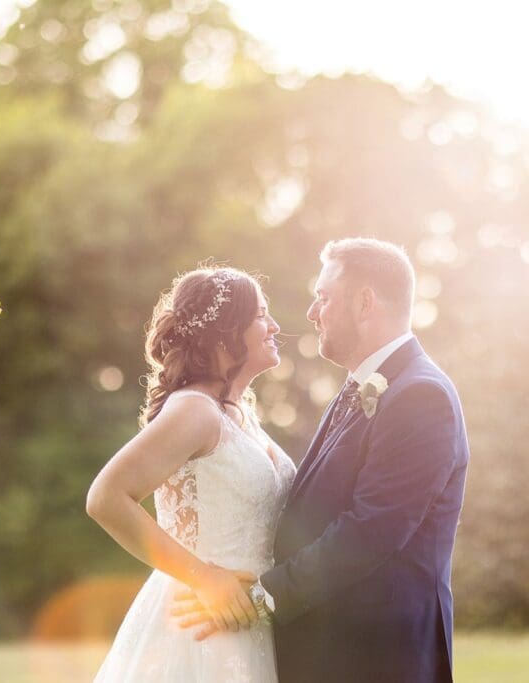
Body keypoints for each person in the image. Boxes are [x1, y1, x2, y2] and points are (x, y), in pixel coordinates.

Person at [175, 238, 470, 682]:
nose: (313, 312)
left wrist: (260, 597)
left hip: (379, 660)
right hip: (334, 652)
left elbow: (371, 530)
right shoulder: (358, 388)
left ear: (365, 303)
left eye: (323, 297)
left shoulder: (420, 395)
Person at [87, 265, 295, 682]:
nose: (274, 326)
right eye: (260, 315)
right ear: (224, 332)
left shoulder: (240, 414)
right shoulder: (194, 409)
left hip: (249, 620)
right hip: (199, 622)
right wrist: (204, 579)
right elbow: (106, 497)